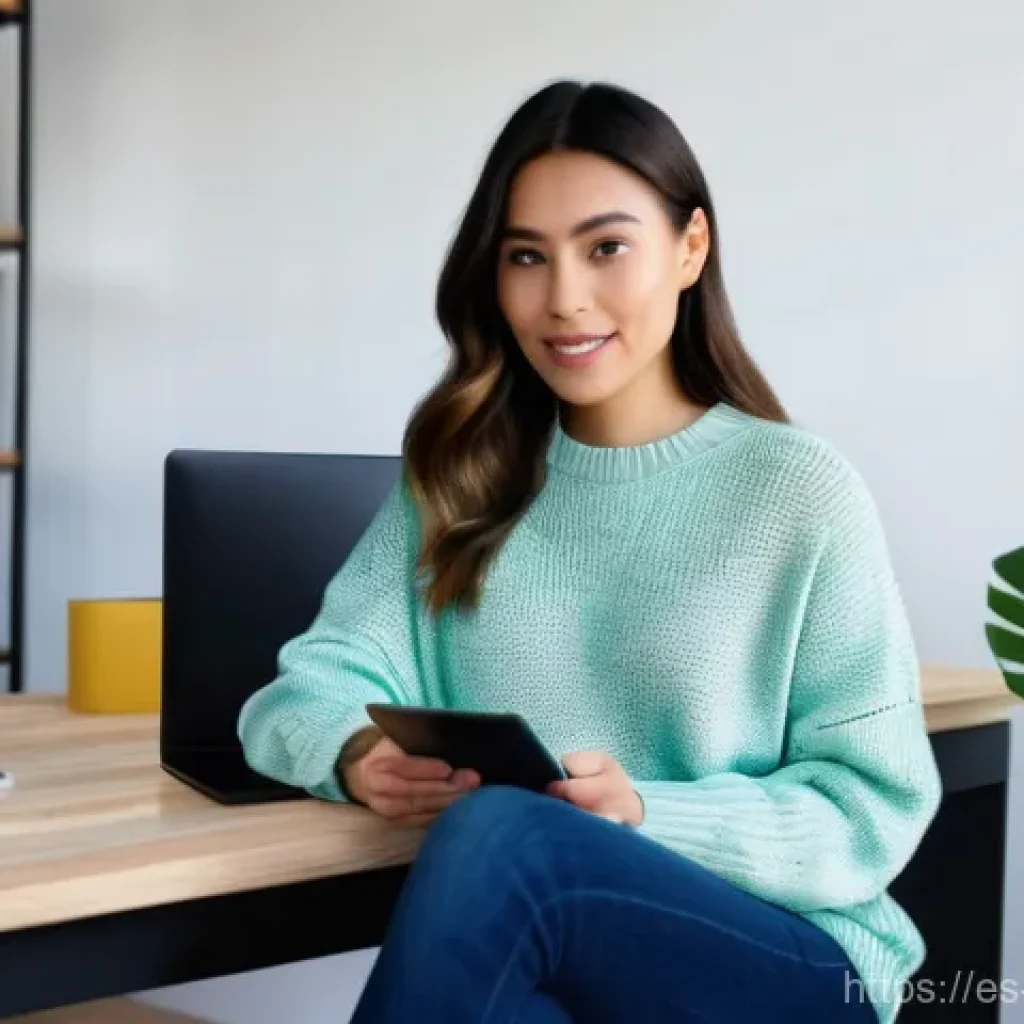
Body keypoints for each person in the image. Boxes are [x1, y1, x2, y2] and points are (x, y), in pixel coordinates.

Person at [238, 80, 941, 1024]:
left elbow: (871, 808)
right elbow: (301, 689)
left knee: (511, 840)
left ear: (691, 248)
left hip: (791, 961)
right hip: (566, 963)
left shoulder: (797, 490)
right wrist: (357, 751)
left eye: (606, 248)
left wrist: (647, 816)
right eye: (527, 257)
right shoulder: (460, 476)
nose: (564, 300)